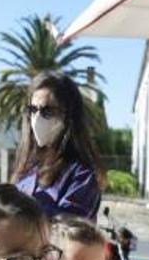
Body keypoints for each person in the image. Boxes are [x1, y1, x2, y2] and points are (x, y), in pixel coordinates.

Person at [14, 71, 103, 220]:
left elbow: (69, 230)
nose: (37, 119)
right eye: (33, 110)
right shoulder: (28, 172)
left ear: (68, 116)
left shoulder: (82, 177)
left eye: (47, 111)